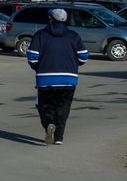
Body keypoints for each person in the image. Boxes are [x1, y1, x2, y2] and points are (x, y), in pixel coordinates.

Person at [26, 8, 89, 145]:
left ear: (51, 19)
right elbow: (84, 56)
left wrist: (39, 67)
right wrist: (72, 65)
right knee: (63, 107)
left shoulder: (40, 35)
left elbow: (32, 57)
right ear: (65, 20)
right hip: (69, 79)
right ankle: (59, 137)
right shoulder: (74, 36)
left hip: (45, 78)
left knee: (44, 105)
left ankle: (49, 124)